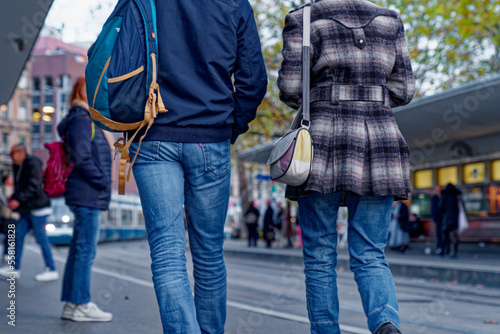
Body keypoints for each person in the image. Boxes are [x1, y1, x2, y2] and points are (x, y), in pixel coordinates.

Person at [127, 1, 267, 333]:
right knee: (208, 254)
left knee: (167, 253)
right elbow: (254, 79)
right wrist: (229, 127)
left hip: (152, 134)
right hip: (210, 138)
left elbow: (113, 54)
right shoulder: (235, 4)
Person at [278, 0, 415, 333]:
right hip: (381, 139)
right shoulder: (390, 19)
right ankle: (386, 323)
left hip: (323, 139)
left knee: (320, 254)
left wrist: (328, 93)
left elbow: (291, 88)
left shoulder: (304, 17)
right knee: (370, 251)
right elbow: (404, 89)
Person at [57, 77, 113, 322]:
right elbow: (82, 156)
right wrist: (101, 181)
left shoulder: (83, 119)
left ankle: (72, 303)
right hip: (87, 193)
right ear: (83, 92)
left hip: (84, 193)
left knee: (79, 250)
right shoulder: (82, 120)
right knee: (85, 250)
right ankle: (81, 303)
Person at [0, 145, 58, 281]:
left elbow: (34, 186)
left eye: (12, 154)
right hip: (27, 208)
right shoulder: (17, 166)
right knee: (17, 235)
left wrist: (17, 200)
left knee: (41, 238)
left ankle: (51, 269)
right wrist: (14, 198)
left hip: (38, 208)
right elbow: (20, 187)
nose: (11, 157)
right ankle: (14, 268)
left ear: (21, 153)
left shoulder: (33, 163)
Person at [439, 183, 461, 258]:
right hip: (455, 218)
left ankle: (443, 251)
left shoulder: (445, 195)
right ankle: (454, 252)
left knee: (445, 236)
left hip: (446, 218)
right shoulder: (456, 196)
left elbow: (440, 206)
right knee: (454, 236)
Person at [431, 185, 444, 255]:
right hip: (437, 219)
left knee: (444, 234)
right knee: (439, 234)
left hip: (444, 219)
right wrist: (434, 217)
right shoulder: (434, 198)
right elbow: (433, 209)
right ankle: (439, 247)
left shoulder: (444, 197)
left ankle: (443, 248)